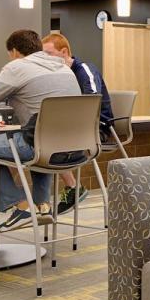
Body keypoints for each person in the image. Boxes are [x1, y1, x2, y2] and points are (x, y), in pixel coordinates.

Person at [0, 30, 82, 231]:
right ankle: (42, 206)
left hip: (42, 146)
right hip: (77, 149)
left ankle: (20, 206)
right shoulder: (64, 68)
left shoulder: (17, 67)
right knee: (41, 143)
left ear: (14, 51)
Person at [42, 33, 114, 215]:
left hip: (96, 128)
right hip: (73, 127)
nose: (45, 59)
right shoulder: (57, 75)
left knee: (46, 139)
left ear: (64, 52)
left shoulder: (85, 69)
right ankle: (69, 190)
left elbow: (92, 101)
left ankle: (72, 188)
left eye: (49, 54)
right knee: (40, 138)